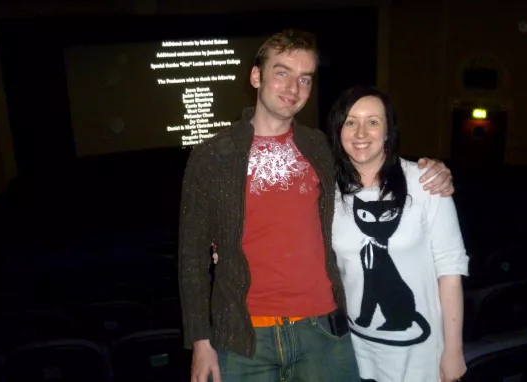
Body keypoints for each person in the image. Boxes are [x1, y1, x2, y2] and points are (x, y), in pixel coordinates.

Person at [178, 29, 454, 382]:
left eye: (304, 78)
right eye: (282, 72)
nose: (293, 88)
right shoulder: (213, 156)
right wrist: (202, 343)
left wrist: (431, 171)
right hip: (244, 338)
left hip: (324, 333)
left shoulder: (321, 147)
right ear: (256, 76)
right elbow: (191, 258)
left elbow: (373, 166)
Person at [328, 86, 468, 382]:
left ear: (388, 130)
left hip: (419, 354)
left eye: (373, 121)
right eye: (350, 122)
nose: (361, 132)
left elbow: (450, 270)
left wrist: (453, 351)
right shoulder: (330, 194)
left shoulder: (425, 182)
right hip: (356, 349)